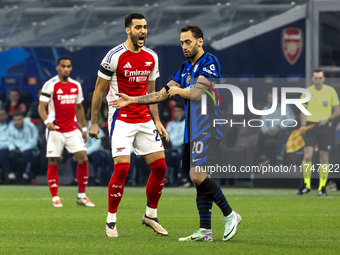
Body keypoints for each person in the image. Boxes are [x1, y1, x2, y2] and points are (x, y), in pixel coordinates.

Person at [111, 25, 241, 242]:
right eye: (181, 42)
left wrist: (179, 90)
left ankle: (230, 215)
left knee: (197, 176)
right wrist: (132, 100)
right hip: (192, 131)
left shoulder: (209, 62)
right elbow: (162, 93)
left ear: (200, 41)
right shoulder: (184, 67)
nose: (184, 46)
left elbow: (199, 93)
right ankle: (205, 230)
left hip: (208, 128)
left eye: (188, 41)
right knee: (200, 180)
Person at [89, 13, 169, 238]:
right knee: (122, 168)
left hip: (144, 118)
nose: (142, 31)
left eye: (145, 27)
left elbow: (151, 94)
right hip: (121, 118)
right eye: (137, 27)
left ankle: (150, 216)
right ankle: (111, 219)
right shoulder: (114, 56)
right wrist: (94, 122)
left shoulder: (152, 56)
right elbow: (98, 90)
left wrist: (157, 120)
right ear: (127, 30)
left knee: (160, 167)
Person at [38, 56, 95, 208]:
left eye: (68, 66)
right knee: (54, 161)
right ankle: (55, 197)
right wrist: (47, 122)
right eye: (63, 66)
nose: (66, 69)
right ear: (57, 67)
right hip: (55, 129)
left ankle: (82, 196)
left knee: (83, 158)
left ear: (71, 68)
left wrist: (83, 128)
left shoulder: (76, 85)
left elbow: (79, 108)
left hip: (72, 129)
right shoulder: (50, 85)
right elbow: (41, 107)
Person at [297, 69, 340, 196]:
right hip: (310, 126)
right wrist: (303, 125)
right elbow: (302, 110)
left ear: (324, 78)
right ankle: (306, 185)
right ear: (312, 79)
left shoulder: (330, 91)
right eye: (315, 78)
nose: (318, 80)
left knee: (324, 158)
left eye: (320, 78)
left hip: (325, 126)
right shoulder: (307, 92)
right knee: (308, 156)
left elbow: (337, 110)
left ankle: (322, 187)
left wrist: (329, 118)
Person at [258, 91, 296, 164]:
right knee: (258, 135)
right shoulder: (265, 109)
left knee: (281, 133)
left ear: (278, 98)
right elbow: (262, 123)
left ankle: (279, 157)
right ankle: (263, 157)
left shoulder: (285, 107)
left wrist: (279, 127)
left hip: (280, 129)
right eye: (269, 98)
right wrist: (267, 130)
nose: (271, 100)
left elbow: (292, 120)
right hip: (269, 131)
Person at [7, 111, 39, 182]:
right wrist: (12, 149)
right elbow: (10, 140)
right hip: (17, 149)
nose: (17, 122)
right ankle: (11, 175)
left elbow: (33, 142)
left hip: (30, 149)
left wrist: (21, 150)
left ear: (23, 119)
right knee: (6, 153)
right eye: (15, 120)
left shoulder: (31, 126)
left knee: (26, 153)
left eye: (19, 120)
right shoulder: (11, 127)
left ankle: (25, 174)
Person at [0, 108, 16, 183]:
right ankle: (10, 174)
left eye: (3, 114)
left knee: (2, 153)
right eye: (0, 115)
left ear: (7, 115)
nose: (1, 116)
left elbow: (12, 139)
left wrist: (12, 148)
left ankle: (10, 173)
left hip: (9, 148)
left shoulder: (12, 125)